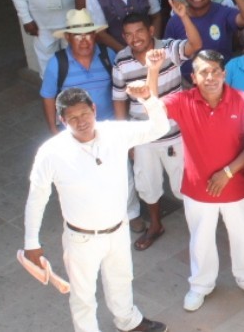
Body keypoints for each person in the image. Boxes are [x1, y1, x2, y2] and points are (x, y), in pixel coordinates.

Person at [24, 81, 169, 332]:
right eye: (72, 118)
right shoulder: (51, 153)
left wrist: (148, 99)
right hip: (81, 238)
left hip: (118, 228)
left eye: (84, 113)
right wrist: (31, 243)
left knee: (122, 280)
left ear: (94, 109)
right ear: (62, 120)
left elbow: (160, 127)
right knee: (83, 296)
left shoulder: (114, 133)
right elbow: (37, 197)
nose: (81, 122)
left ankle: (128, 321)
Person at [161, 50, 244, 311]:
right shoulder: (183, 101)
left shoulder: (242, 101)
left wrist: (227, 173)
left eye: (215, 71)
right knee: (201, 240)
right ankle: (200, 285)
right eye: (203, 72)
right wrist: (152, 72)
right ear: (194, 77)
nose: (210, 77)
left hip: (237, 187)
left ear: (223, 73)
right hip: (198, 189)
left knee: (243, 236)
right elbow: (152, 109)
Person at [112, 6, 203, 251]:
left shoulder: (168, 49)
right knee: (147, 185)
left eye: (139, 31)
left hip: (174, 133)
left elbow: (195, 44)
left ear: (151, 30)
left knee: (184, 185)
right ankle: (155, 225)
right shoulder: (121, 60)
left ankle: (197, 229)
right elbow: (119, 100)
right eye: (129, 34)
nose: (135, 38)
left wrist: (184, 16)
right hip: (142, 136)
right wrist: (125, 139)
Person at [163, 0, 244, 76]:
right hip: (187, 82)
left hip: (221, 80)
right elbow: (168, 57)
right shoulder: (175, 21)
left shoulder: (223, 12)